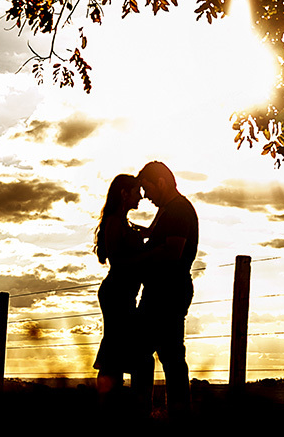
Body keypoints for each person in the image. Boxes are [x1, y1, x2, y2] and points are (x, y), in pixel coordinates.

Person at [132, 161, 199, 421]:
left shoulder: (179, 210)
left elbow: (173, 251)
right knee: (150, 354)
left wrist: (140, 256)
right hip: (159, 290)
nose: (146, 196)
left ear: (160, 183)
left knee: (167, 356)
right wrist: (142, 233)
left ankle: (173, 415)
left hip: (168, 292)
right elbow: (159, 237)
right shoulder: (168, 209)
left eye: (147, 189)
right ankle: (164, 413)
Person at [93, 174, 146, 396]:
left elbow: (147, 233)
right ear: (124, 194)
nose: (141, 197)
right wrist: (146, 258)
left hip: (123, 292)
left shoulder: (124, 223)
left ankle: (109, 401)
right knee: (115, 348)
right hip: (117, 293)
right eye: (136, 191)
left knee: (116, 347)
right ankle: (107, 401)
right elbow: (117, 260)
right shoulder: (115, 222)